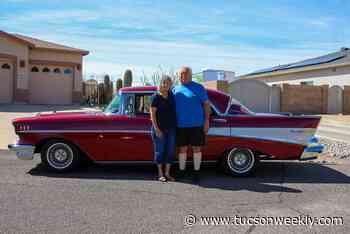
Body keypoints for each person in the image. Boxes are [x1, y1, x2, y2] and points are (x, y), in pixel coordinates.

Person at [173, 66, 210, 183]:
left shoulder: (199, 88)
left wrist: (207, 120)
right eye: (180, 74)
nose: (181, 76)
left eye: (183, 74)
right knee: (182, 149)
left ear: (189, 75)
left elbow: (206, 105)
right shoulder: (175, 89)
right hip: (180, 125)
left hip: (197, 124)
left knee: (196, 148)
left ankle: (196, 172)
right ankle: (182, 171)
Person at [150, 75, 177, 182]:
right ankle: (160, 174)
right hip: (159, 129)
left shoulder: (172, 96)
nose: (166, 85)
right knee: (160, 151)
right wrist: (157, 129)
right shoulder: (155, 97)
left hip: (171, 129)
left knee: (170, 151)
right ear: (161, 84)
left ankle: (167, 173)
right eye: (164, 83)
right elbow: (152, 114)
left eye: (168, 83)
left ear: (170, 85)